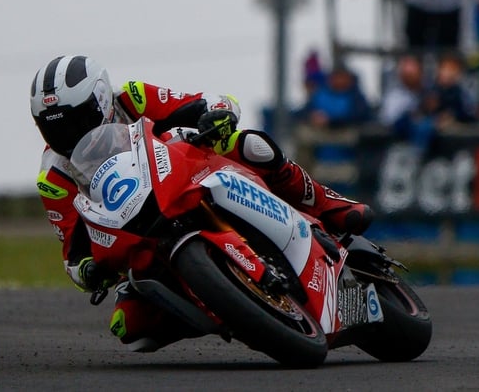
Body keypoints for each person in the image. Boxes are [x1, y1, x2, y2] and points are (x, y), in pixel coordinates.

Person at [29, 55, 373, 352]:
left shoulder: (131, 98)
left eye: (77, 119)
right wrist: (89, 270)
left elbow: (208, 101)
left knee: (251, 145)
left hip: (185, 174)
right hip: (136, 235)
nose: (69, 135)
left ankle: (328, 203)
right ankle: (228, 307)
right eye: (53, 128)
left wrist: (217, 115)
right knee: (129, 327)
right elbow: (72, 254)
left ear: (101, 99)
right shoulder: (53, 177)